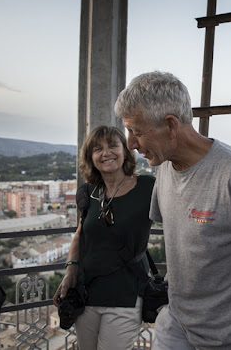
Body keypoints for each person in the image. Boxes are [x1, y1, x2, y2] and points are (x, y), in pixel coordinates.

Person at [115, 71, 231, 350]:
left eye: (137, 132)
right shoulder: (164, 168)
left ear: (170, 125)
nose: (130, 143)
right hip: (177, 323)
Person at [53, 125, 155, 350]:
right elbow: (81, 234)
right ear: (91, 157)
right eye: (97, 149)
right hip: (87, 293)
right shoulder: (88, 192)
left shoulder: (148, 188)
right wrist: (70, 270)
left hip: (126, 295)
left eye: (112, 146)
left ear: (125, 151)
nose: (106, 153)